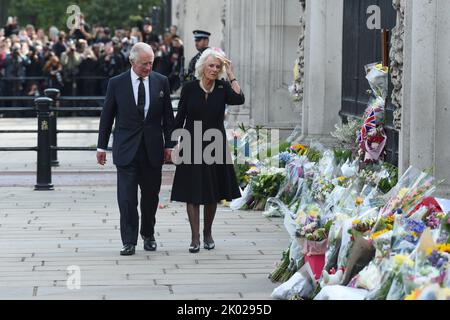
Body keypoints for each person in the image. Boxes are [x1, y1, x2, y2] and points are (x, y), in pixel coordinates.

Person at [96, 42, 175, 256]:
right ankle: (128, 240)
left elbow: (168, 117)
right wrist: (101, 146)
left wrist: (170, 145)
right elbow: (107, 116)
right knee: (127, 198)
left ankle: (148, 234)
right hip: (126, 150)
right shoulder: (116, 83)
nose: (148, 67)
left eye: (151, 63)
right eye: (144, 64)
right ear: (132, 62)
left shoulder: (161, 82)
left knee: (150, 197)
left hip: (152, 150)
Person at [170, 48, 245, 253]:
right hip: (191, 141)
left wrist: (230, 74)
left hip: (215, 143)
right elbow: (180, 117)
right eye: (211, 65)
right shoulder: (189, 88)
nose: (214, 69)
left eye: (217, 67)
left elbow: (239, 98)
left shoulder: (222, 87)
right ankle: (195, 238)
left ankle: (207, 233)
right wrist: (173, 143)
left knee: (212, 192)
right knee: (192, 192)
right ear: (203, 66)